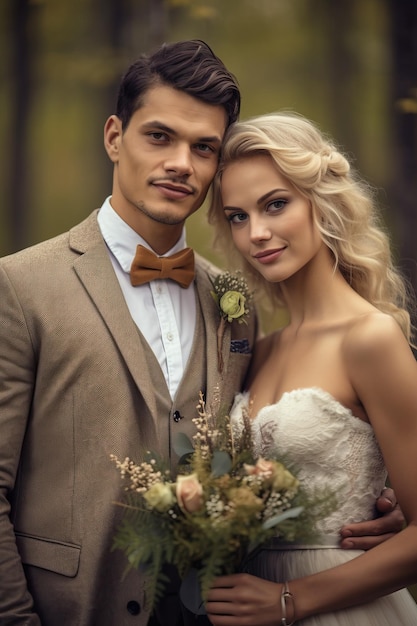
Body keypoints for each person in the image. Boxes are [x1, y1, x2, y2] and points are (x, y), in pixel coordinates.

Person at [0, 40, 403, 626]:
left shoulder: (234, 307)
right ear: (115, 137)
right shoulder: (20, 285)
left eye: (203, 148)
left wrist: (375, 502)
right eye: (159, 136)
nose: (181, 163)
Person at [205, 111, 417, 625]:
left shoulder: (370, 338)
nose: (257, 233)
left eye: (275, 205)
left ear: (319, 203)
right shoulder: (257, 346)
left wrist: (288, 600)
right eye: (237, 216)